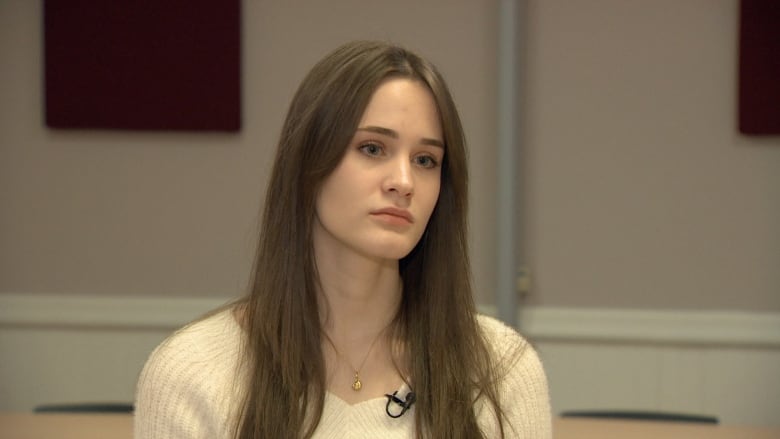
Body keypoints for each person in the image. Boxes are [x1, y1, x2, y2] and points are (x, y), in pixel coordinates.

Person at [134, 40, 551, 439]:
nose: (403, 182)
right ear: (309, 162)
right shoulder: (193, 373)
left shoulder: (501, 369)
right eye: (372, 148)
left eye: (425, 160)